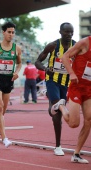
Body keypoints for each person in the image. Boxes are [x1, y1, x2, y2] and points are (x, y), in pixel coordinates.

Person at [35, 22, 76, 156]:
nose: (69, 35)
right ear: (60, 32)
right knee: (58, 112)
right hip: (52, 80)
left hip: (65, 83)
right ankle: (58, 146)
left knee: (53, 111)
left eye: (71, 32)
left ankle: (49, 98)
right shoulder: (53, 45)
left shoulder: (75, 46)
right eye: (66, 32)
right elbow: (37, 62)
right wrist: (46, 69)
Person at [51, 36, 91, 164]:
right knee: (74, 123)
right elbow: (64, 57)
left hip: (89, 89)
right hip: (77, 87)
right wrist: (72, 73)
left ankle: (76, 154)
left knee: (89, 119)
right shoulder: (85, 42)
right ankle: (60, 106)